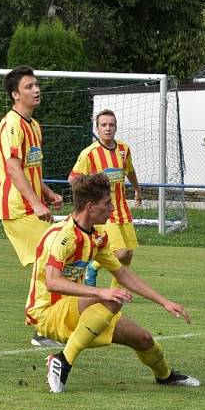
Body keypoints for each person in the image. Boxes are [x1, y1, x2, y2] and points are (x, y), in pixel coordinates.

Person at [27, 173, 200, 393]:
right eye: (107, 203)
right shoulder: (62, 237)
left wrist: (164, 302)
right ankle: (63, 361)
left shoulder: (97, 236)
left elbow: (123, 275)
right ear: (90, 207)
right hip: (47, 313)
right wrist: (101, 293)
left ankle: (165, 377)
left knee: (144, 340)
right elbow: (52, 282)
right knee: (112, 299)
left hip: (75, 309)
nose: (112, 209)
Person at [0, 65, 64, 347]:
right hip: (18, 210)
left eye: (36, 85)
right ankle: (42, 328)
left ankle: (49, 326)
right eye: (28, 87)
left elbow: (30, 168)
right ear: (15, 95)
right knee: (55, 255)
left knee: (55, 257)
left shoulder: (34, 126)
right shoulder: (11, 125)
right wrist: (35, 204)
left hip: (32, 207)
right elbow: (13, 168)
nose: (36, 90)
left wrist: (46, 193)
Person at [68, 109, 142, 287]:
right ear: (97, 128)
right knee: (121, 253)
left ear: (116, 127)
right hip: (104, 212)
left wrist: (137, 189)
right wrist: (89, 199)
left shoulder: (124, 149)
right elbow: (73, 179)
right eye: (104, 125)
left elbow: (129, 171)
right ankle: (93, 266)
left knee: (128, 255)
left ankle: (115, 295)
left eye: (111, 125)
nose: (108, 128)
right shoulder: (89, 153)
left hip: (122, 209)